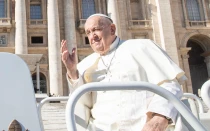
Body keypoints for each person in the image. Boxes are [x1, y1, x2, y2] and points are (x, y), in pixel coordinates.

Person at [61, 14, 188, 131]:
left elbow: (170, 85)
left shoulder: (142, 47)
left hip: (143, 127)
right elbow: (83, 103)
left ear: (112, 29)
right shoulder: (85, 64)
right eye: (88, 32)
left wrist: (158, 119)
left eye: (96, 29)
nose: (92, 36)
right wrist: (72, 72)